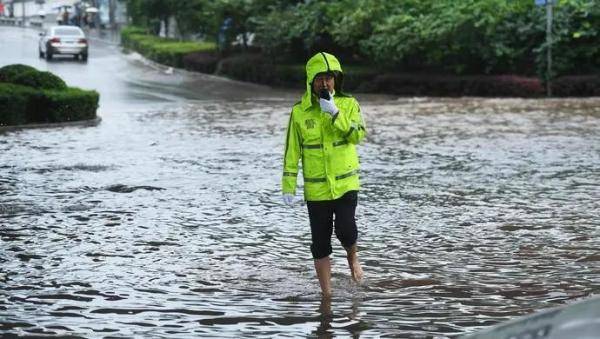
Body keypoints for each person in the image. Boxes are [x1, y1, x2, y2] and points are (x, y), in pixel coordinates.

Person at [282, 52, 366, 298]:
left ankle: (352, 256)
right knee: (320, 244)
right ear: (311, 81)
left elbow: (358, 135)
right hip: (317, 188)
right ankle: (327, 296)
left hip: (345, 184)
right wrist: (288, 186)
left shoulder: (348, 104)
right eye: (320, 79)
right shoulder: (299, 112)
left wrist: (335, 114)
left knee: (346, 231)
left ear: (336, 80)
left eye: (329, 78)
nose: (325, 84)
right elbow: (291, 152)